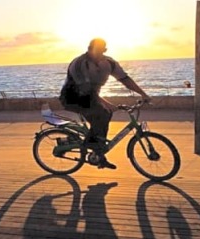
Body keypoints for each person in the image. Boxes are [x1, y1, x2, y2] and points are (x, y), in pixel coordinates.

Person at [60, 38, 151, 169]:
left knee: (105, 116)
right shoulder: (80, 63)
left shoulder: (109, 63)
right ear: (89, 49)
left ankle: (99, 154)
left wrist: (143, 94)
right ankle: (89, 146)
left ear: (105, 50)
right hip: (73, 97)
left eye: (102, 51)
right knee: (101, 113)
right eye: (95, 51)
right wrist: (107, 103)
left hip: (91, 97)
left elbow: (125, 79)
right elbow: (86, 90)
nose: (98, 54)